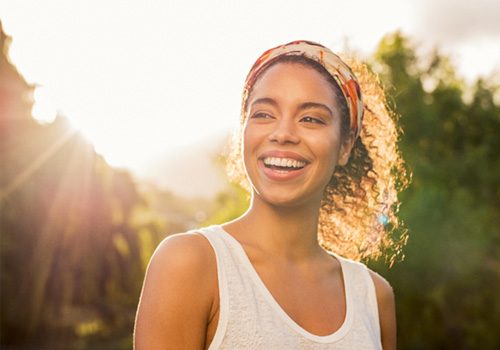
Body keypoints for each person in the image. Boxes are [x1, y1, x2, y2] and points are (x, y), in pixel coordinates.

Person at [134, 40, 408, 349]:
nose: (283, 134)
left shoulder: (373, 296)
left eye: (311, 119)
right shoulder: (190, 264)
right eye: (264, 114)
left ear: (344, 145)